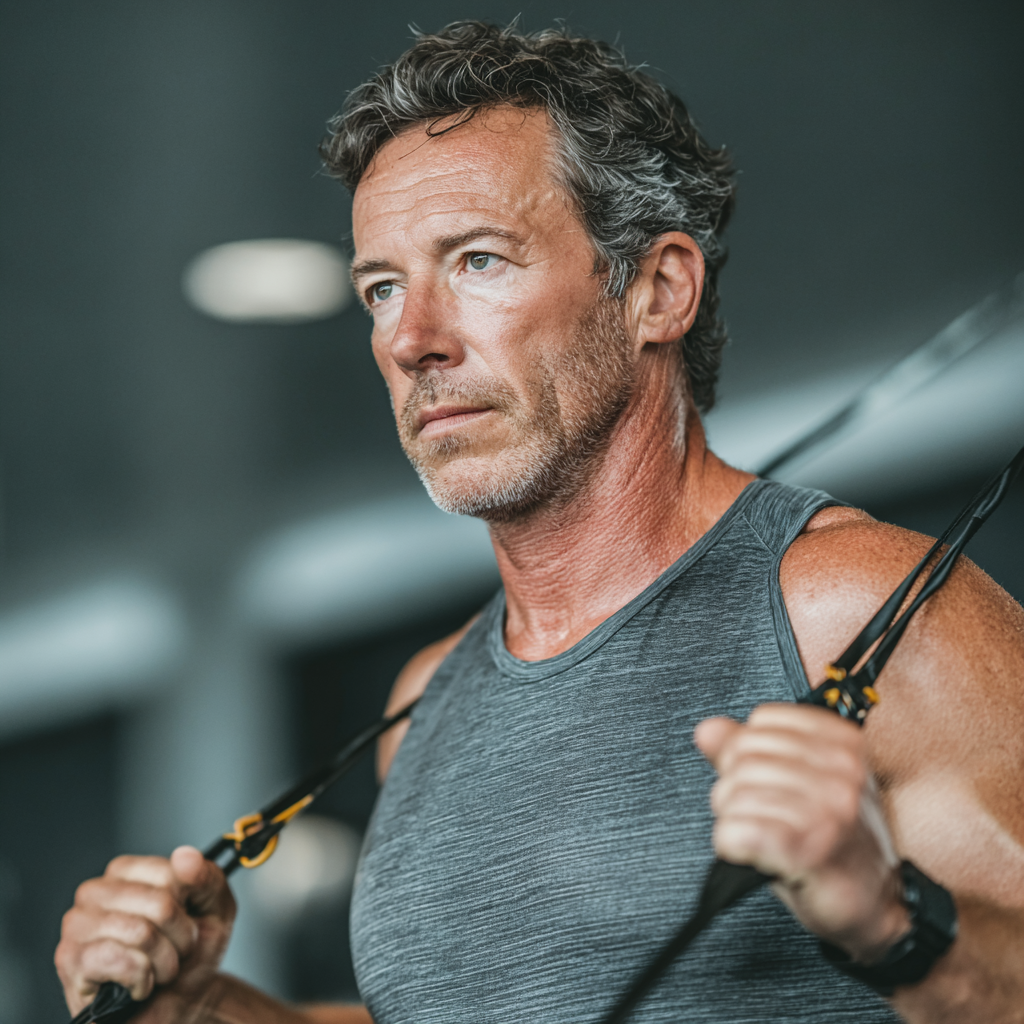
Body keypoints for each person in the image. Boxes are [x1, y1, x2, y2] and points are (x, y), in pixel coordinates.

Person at [56, 22, 1024, 1024]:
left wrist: (891, 921)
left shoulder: (853, 607)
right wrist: (205, 1011)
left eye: (478, 261)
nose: (412, 339)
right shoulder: (426, 701)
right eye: (382, 288)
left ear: (657, 290)